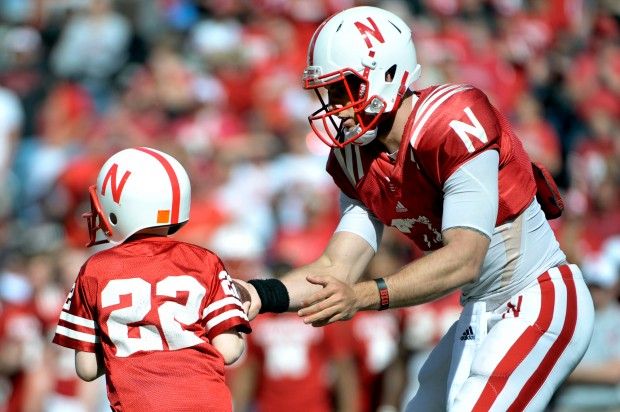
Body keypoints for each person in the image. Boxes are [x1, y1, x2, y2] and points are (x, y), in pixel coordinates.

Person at [236, 5, 595, 411]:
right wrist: (257, 294)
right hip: (479, 310)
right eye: (329, 92)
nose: (335, 105)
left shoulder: (452, 120)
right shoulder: (356, 161)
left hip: (538, 297)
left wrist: (364, 296)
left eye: (345, 87)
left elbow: (465, 257)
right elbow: (336, 268)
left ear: (388, 74)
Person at [52, 147, 251, 412]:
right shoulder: (204, 260)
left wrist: (128, 343)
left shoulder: (95, 270)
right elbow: (228, 350)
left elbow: (87, 368)